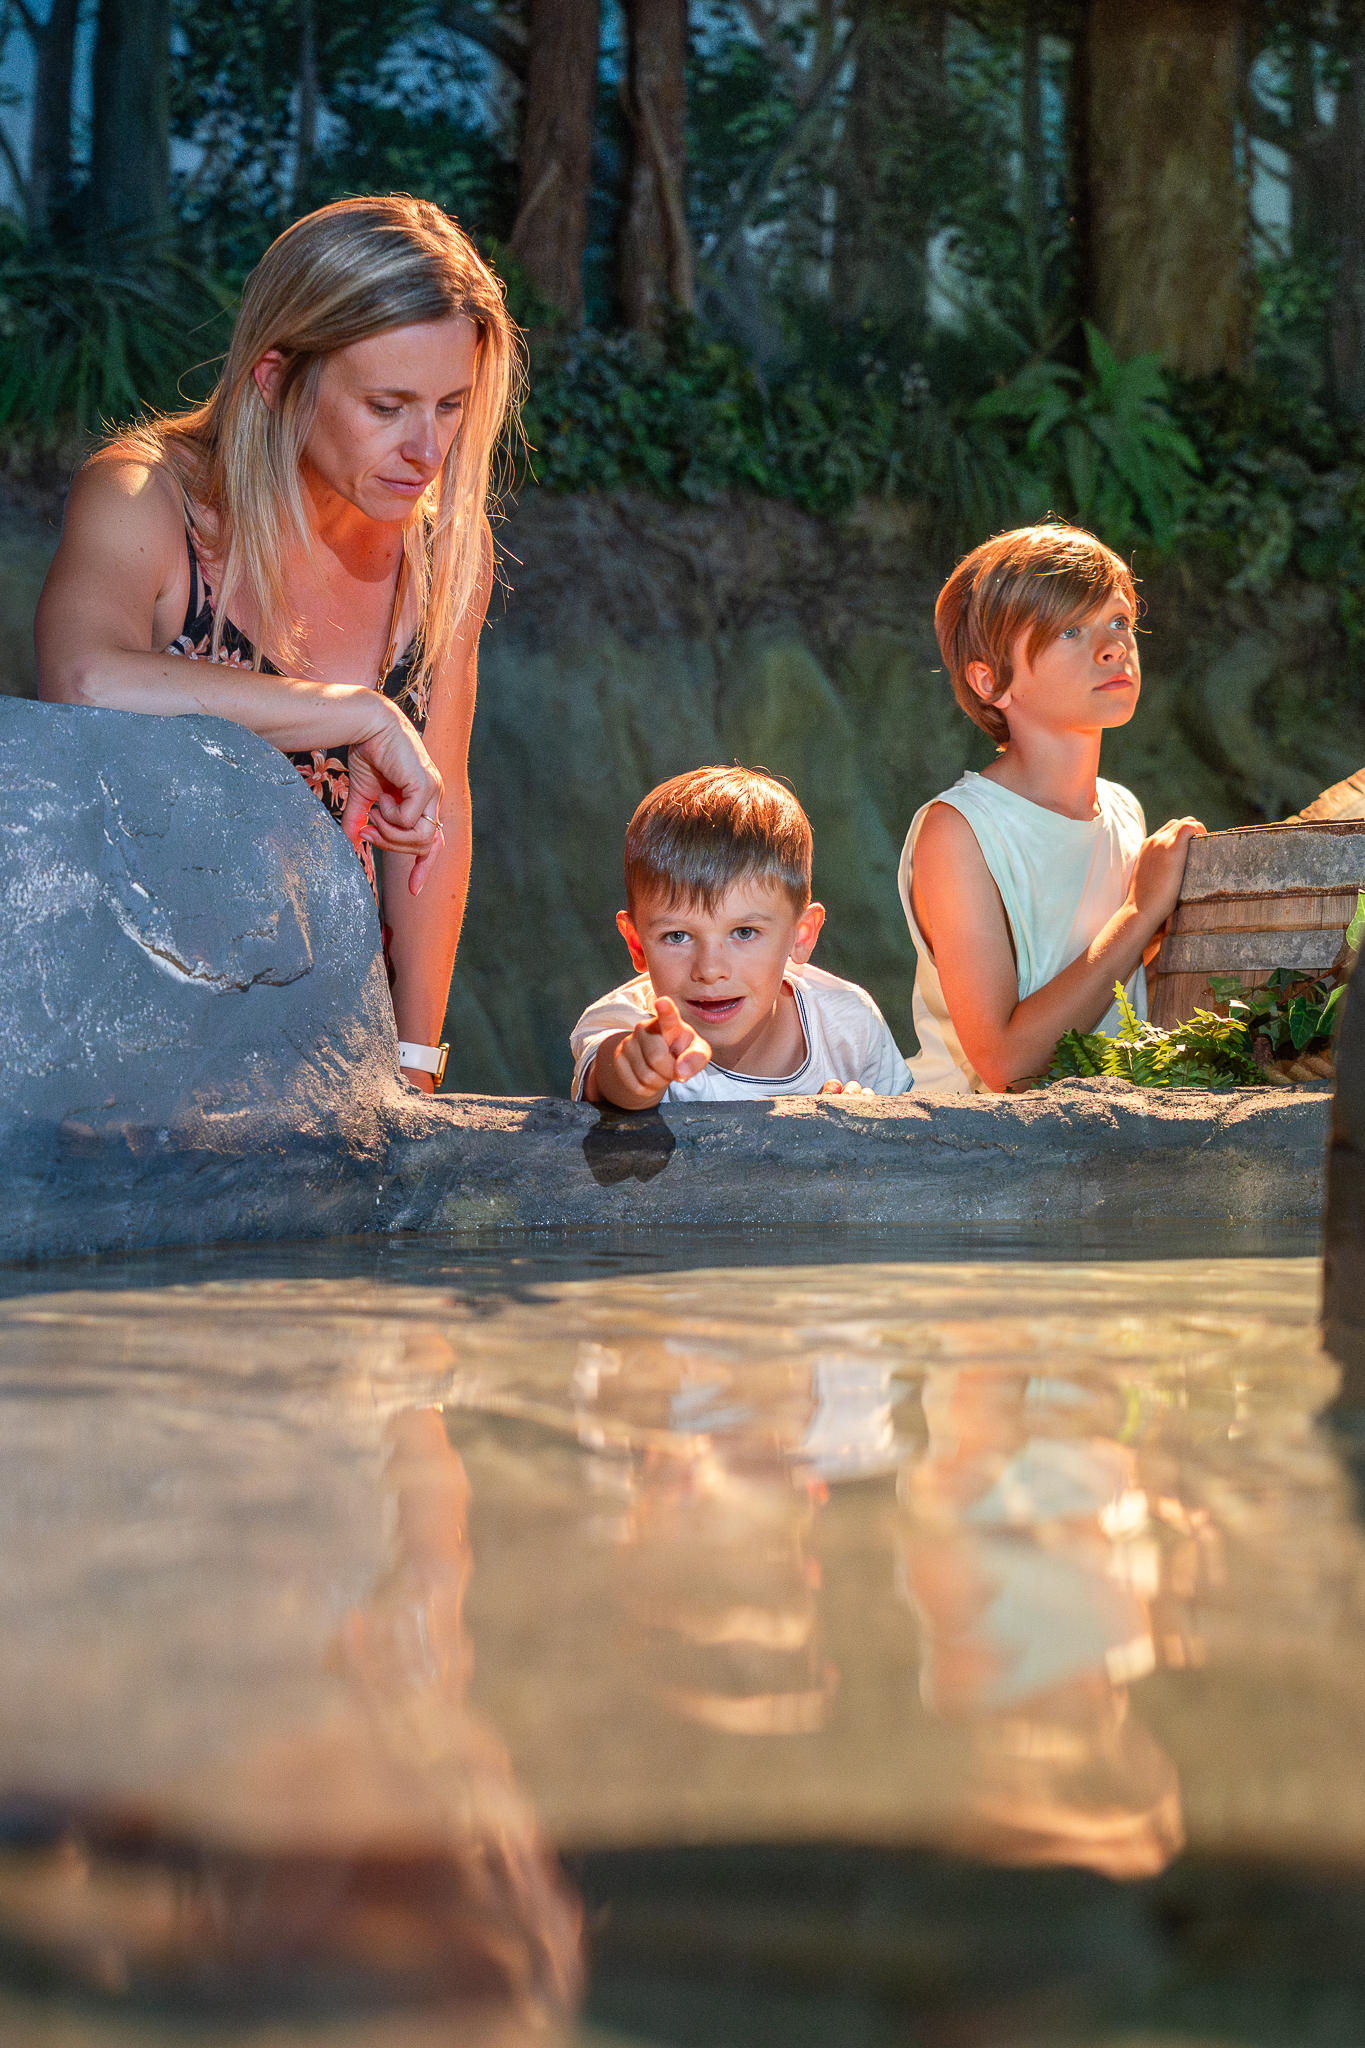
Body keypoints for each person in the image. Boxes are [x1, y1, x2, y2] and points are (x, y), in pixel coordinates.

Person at [36, 195, 523, 1092]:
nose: (427, 450)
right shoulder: (150, 497)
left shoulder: (443, 548)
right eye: (387, 406)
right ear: (275, 376)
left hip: (321, 1059)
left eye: (451, 406)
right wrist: (352, 714)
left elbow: (435, 827)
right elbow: (80, 679)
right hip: (120, 1058)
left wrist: (413, 1069)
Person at [899, 522, 1205, 1093]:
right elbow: (1006, 1065)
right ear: (991, 681)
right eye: (1069, 630)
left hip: (1098, 1143)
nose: (1113, 645)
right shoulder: (959, 831)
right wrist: (1139, 915)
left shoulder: (1122, 810)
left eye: (1118, 621)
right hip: (967, 1155)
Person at [570, 765, 912, 1107]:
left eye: (744, 932)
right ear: (636, 943)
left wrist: (866, 1124)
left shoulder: (849, 1025)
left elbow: (915, 1145)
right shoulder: (628, 1023)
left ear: (802, 934)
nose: (710, 969)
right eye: (677, 936)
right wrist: (640, 1067)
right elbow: (613, 1077)